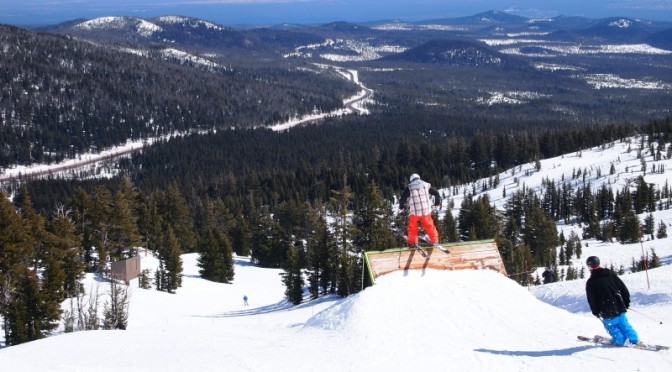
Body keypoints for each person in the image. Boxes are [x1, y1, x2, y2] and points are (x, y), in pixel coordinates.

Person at [585, 256, 640, 346]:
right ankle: (634, 339)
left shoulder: (591, 282)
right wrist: (626, 302)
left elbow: (591, 299)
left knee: (611, 326)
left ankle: (620, 341)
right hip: (619, 305)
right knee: (624, 324)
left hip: (605, 309)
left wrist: (595, 311)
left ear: (589, 267)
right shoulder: (610, 274)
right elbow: (623, 288)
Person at [399, 173, 441, 248]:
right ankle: (434, 239)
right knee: (429, 225)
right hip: (426, 210)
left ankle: (412, 242)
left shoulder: (409, 187)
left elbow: (403, 198)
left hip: (415, 211)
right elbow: (436, 193)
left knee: (413, 227)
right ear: (419, 178)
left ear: (411, 180)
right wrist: (437, 203)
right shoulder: (426, 185)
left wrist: (401, 206)